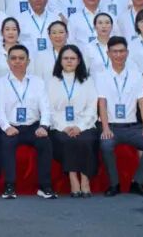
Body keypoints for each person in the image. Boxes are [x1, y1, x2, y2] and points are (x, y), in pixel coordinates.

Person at [96, 37, 143, 197]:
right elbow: (102, 103)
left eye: (121, 51)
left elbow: (142, 103)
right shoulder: (101, 76)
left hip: (133, 127)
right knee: (106, 145)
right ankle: (114, 184)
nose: (118, 55)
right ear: (108, 53)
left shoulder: (136, 75)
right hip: (111, 126)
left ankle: (137, 182)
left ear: (127, 53)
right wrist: (105, 128)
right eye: (114, 52)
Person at [0, 45, 56, 199]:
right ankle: (9, 186)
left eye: (21, 58)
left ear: (28, 61)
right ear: (8, 61)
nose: (17, 61)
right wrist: (6, 127)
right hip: (10, 126)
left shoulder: (38, 82)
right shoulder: (0, 83)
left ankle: (45, 186)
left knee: (45, 142)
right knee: (7, 143)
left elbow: (45, 107)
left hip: (33, 126)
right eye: (13, 58)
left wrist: (43, 126)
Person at [46, 45, 98, 198]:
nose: (69, 61)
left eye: (73, 58)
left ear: (79, 61)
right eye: (66, 58)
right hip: (60, 126)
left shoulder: (88, 81)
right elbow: (49, 109)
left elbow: (92, 107)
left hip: (85, 125)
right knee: (67, 141)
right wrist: (64, 127)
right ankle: (73, 178)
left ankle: (85, 179)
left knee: (85, 140)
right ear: (60, 61)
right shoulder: (52, 82)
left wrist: (79, 127)